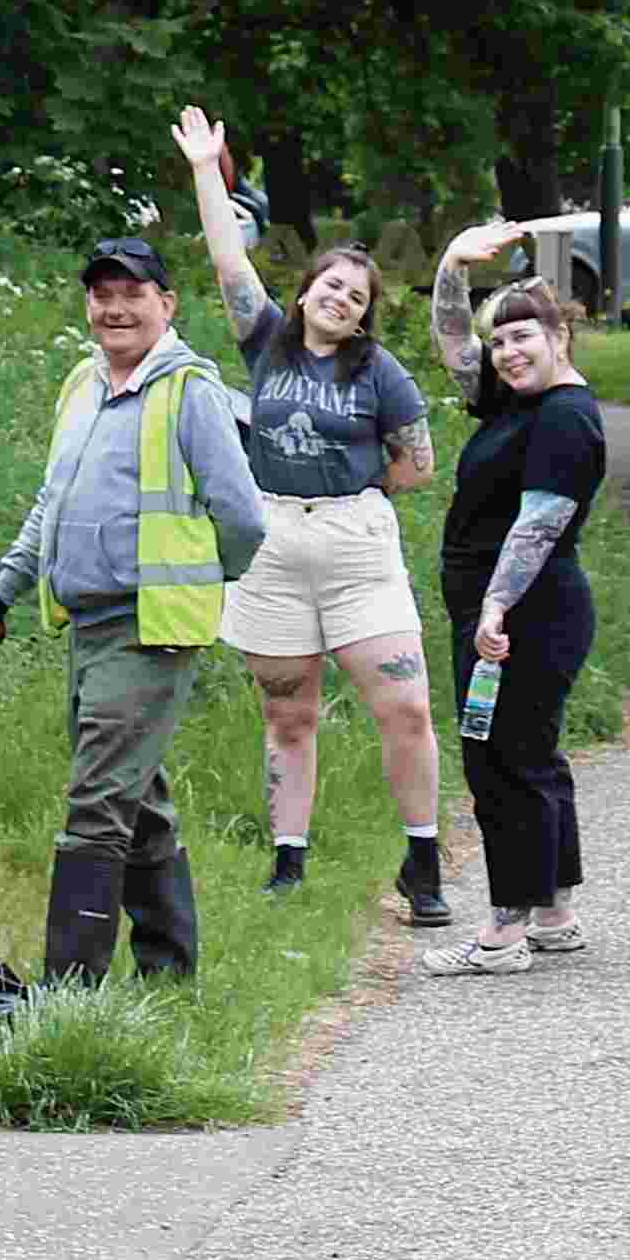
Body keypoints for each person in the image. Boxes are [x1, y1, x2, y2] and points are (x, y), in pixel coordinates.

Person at [0, 236, 267, 984]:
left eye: (133, 292)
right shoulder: (81, 385)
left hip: (149, 628)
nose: (115, 307)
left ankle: (69, 997)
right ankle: (168, 969)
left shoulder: (190, 388)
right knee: (138, 797)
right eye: (102, 293)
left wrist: (200, 579)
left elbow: (244, 518)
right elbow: (50, 503)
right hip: (87, 625)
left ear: (167, 304)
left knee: (97, 801)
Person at [171, 107, 447, 920]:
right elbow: (228, 260)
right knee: (288, 713)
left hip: (356, 543)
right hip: (273, 543)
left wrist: (353, 494)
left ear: (365, 314)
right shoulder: (266, 343)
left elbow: (417, 465)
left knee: (405, 704)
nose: (339, 298)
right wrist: (205, 169)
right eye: (329, 284)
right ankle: (288, 862)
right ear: (304, 292)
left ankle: (423, 862)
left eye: (355, 295)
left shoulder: (381, 371)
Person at [424, 222, 607, 975]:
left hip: (523, 613)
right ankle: (554, 914)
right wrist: (450, 267)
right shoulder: (516, 400)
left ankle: (503, 931)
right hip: (512, 610)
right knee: (532, 756)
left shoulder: (565, 417)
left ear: (560, 333)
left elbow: (539, 524)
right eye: (500, 341)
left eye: (523, 336)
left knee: (500, 759)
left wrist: (494, 611)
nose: (506, 352)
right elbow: (450, 345)